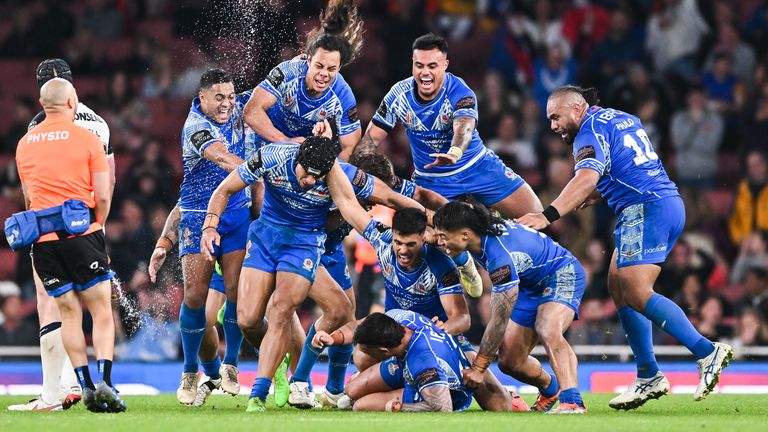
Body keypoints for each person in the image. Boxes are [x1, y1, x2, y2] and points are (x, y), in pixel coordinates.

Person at [516, 85, 733, 409]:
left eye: (555, 117)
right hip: (663, 202)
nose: (553, 126)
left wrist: (547, 215)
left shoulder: (587, 133)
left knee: (634, 288)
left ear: (576, 109)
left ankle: (706, 351)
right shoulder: (620, 118)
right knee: (617, 283)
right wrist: (603, 191)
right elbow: (628, 164)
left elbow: (586, 177)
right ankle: (648, 374)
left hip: (645, 209)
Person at [201, 120, 424, 413]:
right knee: (248, 320)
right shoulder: (273, 157)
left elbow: (360, 205)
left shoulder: (336, 173)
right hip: (268, 236)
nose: (309, 181)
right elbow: (226, 187)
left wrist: (423, 221)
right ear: (298, 159)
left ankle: (291, 387)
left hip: (307, 245)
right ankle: (283, 365)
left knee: (303, 310)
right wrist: (210, 224)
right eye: (306, 174)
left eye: (316, 177)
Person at [8, 58, 115, 412]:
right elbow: (107, 185)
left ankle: (56, 391)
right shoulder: (96, 127)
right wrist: (99, 223)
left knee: (54, 306)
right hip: (86, 228)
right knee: (98, 308)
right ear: (73, 92)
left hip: (45, 234)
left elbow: (27, 192)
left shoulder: (30, 134)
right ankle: (97, 383)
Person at [353, 33, 542, 219]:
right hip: (431, 181)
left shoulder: (460, 91)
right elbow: (371, 139)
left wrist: (454, 153)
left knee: (537, 214)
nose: (425, 73)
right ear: (412, 64)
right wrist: (356, 174)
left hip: (477, 167)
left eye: (432, 66)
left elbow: (465, 127)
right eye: (419, 65)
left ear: (445, 65)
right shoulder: (398, 95)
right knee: (431, 245)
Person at [433, 201, 587, 414]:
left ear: (465, 235)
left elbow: (499, 320)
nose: (439, 242)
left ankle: (572, 402)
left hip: (560, 272)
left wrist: (478, 368)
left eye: (443, 236)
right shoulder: (476, 231)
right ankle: (552, 389)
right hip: (528, 284)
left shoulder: (500, 258)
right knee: (510, 362)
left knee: (547, 328)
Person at [171, 69, 252, 405]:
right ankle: (190, 370)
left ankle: (231, 363)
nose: (226, 103)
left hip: (236, 213)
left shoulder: (240, 109)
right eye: (219, 97)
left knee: (236, 292)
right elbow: (222, 157)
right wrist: (261, 168)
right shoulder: (195, 127)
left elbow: (268, 91)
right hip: (197, 216)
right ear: (201, 97)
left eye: (230, 96)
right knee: (195, 298)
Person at [314, 310, 511, 412]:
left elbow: (443, 408)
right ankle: (384, 389)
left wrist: (401, 408)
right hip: (405, 363)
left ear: (384, 351)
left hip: (437, 389)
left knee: (360, 406)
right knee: (351, 390)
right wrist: (334, 338)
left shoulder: (424, 363)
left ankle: (397, 394)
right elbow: (361, 324)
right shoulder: (398, 318)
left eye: (368, 350)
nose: (362, 353)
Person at [244, 0, 363, 161]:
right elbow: (251, 112)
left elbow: (350, 147)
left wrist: (325, 173)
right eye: (319, 66)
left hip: (303, 155)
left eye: (331, 69)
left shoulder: (343, 95)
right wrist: (285, 142)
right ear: (308, 61)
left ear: (339, 68)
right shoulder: (289, 72)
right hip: (265, 139)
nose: (324, 74)